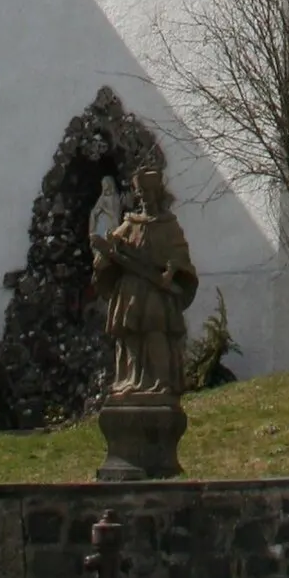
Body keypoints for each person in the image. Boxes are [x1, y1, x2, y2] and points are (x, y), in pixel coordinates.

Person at [91, 165, 198, 404]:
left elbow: (180, 257)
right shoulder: (131, 222)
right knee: (130, 333)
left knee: (155, 331)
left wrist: (172, 270)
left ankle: (161, 382)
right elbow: (112, 247)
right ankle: (130, 380)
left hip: (156, 290)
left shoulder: (169, 225)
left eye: (148, 193)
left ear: (158, 194)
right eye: (140, 194)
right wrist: (107, 253)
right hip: (130, 289)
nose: (144, 199)